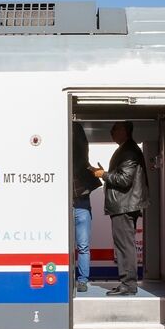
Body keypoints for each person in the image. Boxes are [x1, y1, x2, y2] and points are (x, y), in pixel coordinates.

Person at [92, 121, 148, 295]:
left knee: (124, 246)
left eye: (115, 129)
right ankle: (127, 283)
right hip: (124, 204)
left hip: (124, 205)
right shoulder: (127, 149)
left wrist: (104, 175)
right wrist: (105, 175)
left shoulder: (129, 151)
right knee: (125, 245)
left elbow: (124, 180)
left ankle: (128, 284)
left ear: (125, 131)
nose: (111, 132)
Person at [71, 122, 100, 292]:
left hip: (78, 204)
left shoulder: (72, 163)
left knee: (81, 246)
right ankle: (81, 281)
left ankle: (81, 280)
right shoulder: (83, 165)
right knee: (83, 246)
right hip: (81, 204)